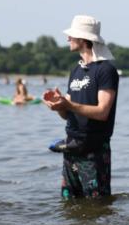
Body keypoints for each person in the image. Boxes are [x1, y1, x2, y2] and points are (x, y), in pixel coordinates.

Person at [43, 15, 119, 200]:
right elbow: (67, 114)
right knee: (69, 206)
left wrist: (69, 104)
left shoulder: (106, 70)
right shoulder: (75, 71)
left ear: (84, 40)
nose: (68, 38)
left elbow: (102, 112)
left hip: (94, 151)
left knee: (97, 206)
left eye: (72, 35)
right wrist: (59, 105)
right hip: (71, 148)